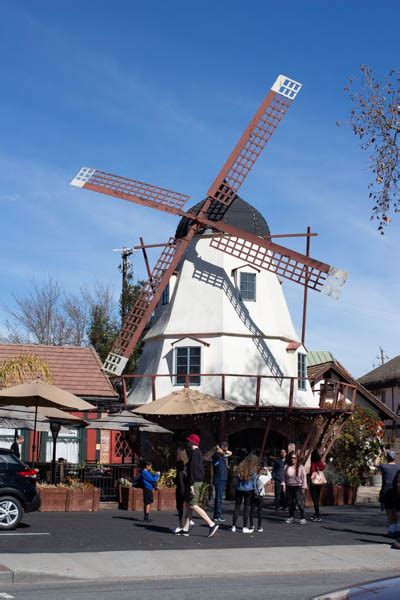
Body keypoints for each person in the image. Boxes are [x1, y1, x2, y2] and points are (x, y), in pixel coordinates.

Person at [180, 434, 219, 538]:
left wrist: (191, 485)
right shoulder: (198, 453)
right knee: (188, 505)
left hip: (194, 482)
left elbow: (192, 470)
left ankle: (211, 524)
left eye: (189, 441)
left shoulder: (194, 453)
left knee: (193, 504)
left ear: (192, 442)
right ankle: (185, 528)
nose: (188, 442)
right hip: (197, 481)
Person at [232, 453, 259, 533]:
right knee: (246, 508)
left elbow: (236, 479)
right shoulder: (253, 469)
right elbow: (254, 482)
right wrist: (255, 490)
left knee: (237, 507)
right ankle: (244, 527)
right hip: (248, 490)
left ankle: (233, 526)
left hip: (239, 489)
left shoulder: (240, 467)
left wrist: (235, 487)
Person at [172, 447, 195, 534]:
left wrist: (175, 480)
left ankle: (182, 525)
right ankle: (188, 523)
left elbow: (179, 479)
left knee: (180, 508)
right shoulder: (188, 464)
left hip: (181, 488)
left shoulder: (179, 465)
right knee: (188, 507)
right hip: (187, 487)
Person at [282, 452, 307, 524]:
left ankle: (302, 518)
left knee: (299, 503)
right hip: (289, 486)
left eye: (294, 458)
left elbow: (304, 478)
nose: (293, 459)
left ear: (297, 459)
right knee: (290, 503)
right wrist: (284, 485)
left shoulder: (301, 467)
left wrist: (304, 487)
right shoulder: (286, 466)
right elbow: (284, 477)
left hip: (298, 486)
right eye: (291, 458)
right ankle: (291, 517)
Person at [379, 450, 399, 538]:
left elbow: (374, 463)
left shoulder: (384, 466)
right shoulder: (399, 467)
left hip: (386, 491)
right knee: (395, 511)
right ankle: (395, 529)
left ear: (387, 458)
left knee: (389, 511)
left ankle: (391, 530)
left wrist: (380, 454)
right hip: (396, 491)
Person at [212, 441, 232, 523]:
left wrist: (223, 451)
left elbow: (230, 453)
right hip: (219, 479)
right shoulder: (216, 455)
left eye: (227, 447)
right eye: (225, 447)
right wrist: (218, 450)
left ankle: (217, 515)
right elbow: (218, 454)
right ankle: (217, 515)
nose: (226, 448)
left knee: (220, 498)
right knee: (219, 498)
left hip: (223, 478)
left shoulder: (223, 455)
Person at [250, 465, 272, 532]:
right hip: (260, 495)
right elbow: (270, 477)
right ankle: (259, 527)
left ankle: (251, 526)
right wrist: (267, 470)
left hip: (253, 494)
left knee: (252, 510)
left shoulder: (253, 476)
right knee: (259, 511)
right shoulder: (262, 477)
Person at [309, 449, 326, 522]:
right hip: (319, 483)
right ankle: (316, 514)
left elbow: (312, 472)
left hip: (314, 483)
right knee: (317, 498)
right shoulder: (320, 462)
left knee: (314, 499)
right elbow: (323, 467)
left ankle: (317, 514)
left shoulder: (313, 463)